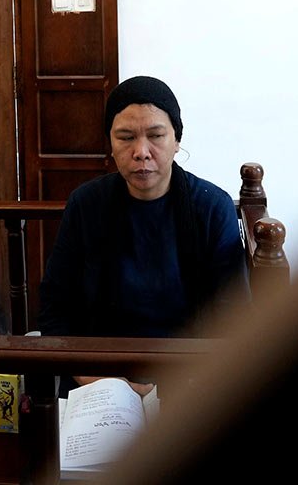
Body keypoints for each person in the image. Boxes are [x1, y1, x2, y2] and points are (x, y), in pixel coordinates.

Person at [37, 75, 250, 396]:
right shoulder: (86, 204)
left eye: (156, 135)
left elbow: (233, 318)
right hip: (100, 378)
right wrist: (92, 379)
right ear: (109, 142)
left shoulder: (210, 207)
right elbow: (56, 306)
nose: (141, 152)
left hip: (188, 378)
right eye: (125, 137)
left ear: (177, 139)